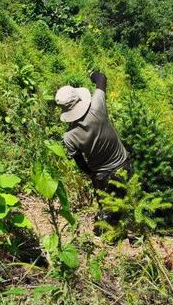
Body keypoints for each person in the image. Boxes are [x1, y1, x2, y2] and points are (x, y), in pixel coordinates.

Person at [55, 72, 131, 216]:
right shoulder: (97, 107)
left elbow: (81, 162)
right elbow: (101, 78)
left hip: (101, 176)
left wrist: (92, 175)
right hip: (123, 164)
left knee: (107, 209)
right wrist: (91, 74)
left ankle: (108, 231)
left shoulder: (69, 137)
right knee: (128, 201)